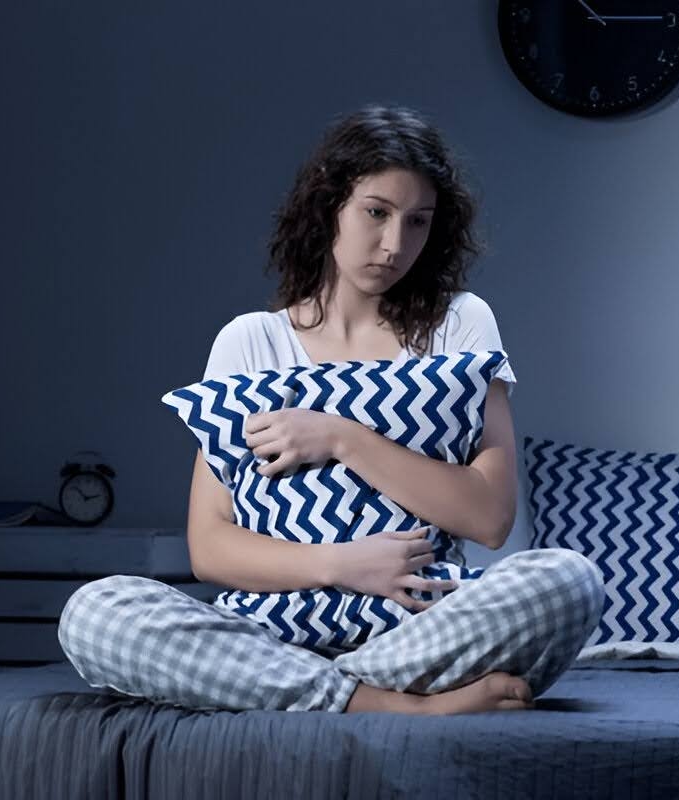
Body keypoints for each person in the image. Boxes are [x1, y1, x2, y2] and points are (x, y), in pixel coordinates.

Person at [57, 104, 604, 715]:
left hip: (419, 627)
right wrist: (340, 564)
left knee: (568, 580)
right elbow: (210, 547)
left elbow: (491, 518)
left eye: (418, 222)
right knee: (96, 614)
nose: (396, 244)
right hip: (271, 634)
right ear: (328, 209)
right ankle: (391, 704)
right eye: (376, 213)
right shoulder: (250, 341)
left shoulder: (460, 326)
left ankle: (307, 691)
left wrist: (342, 437)